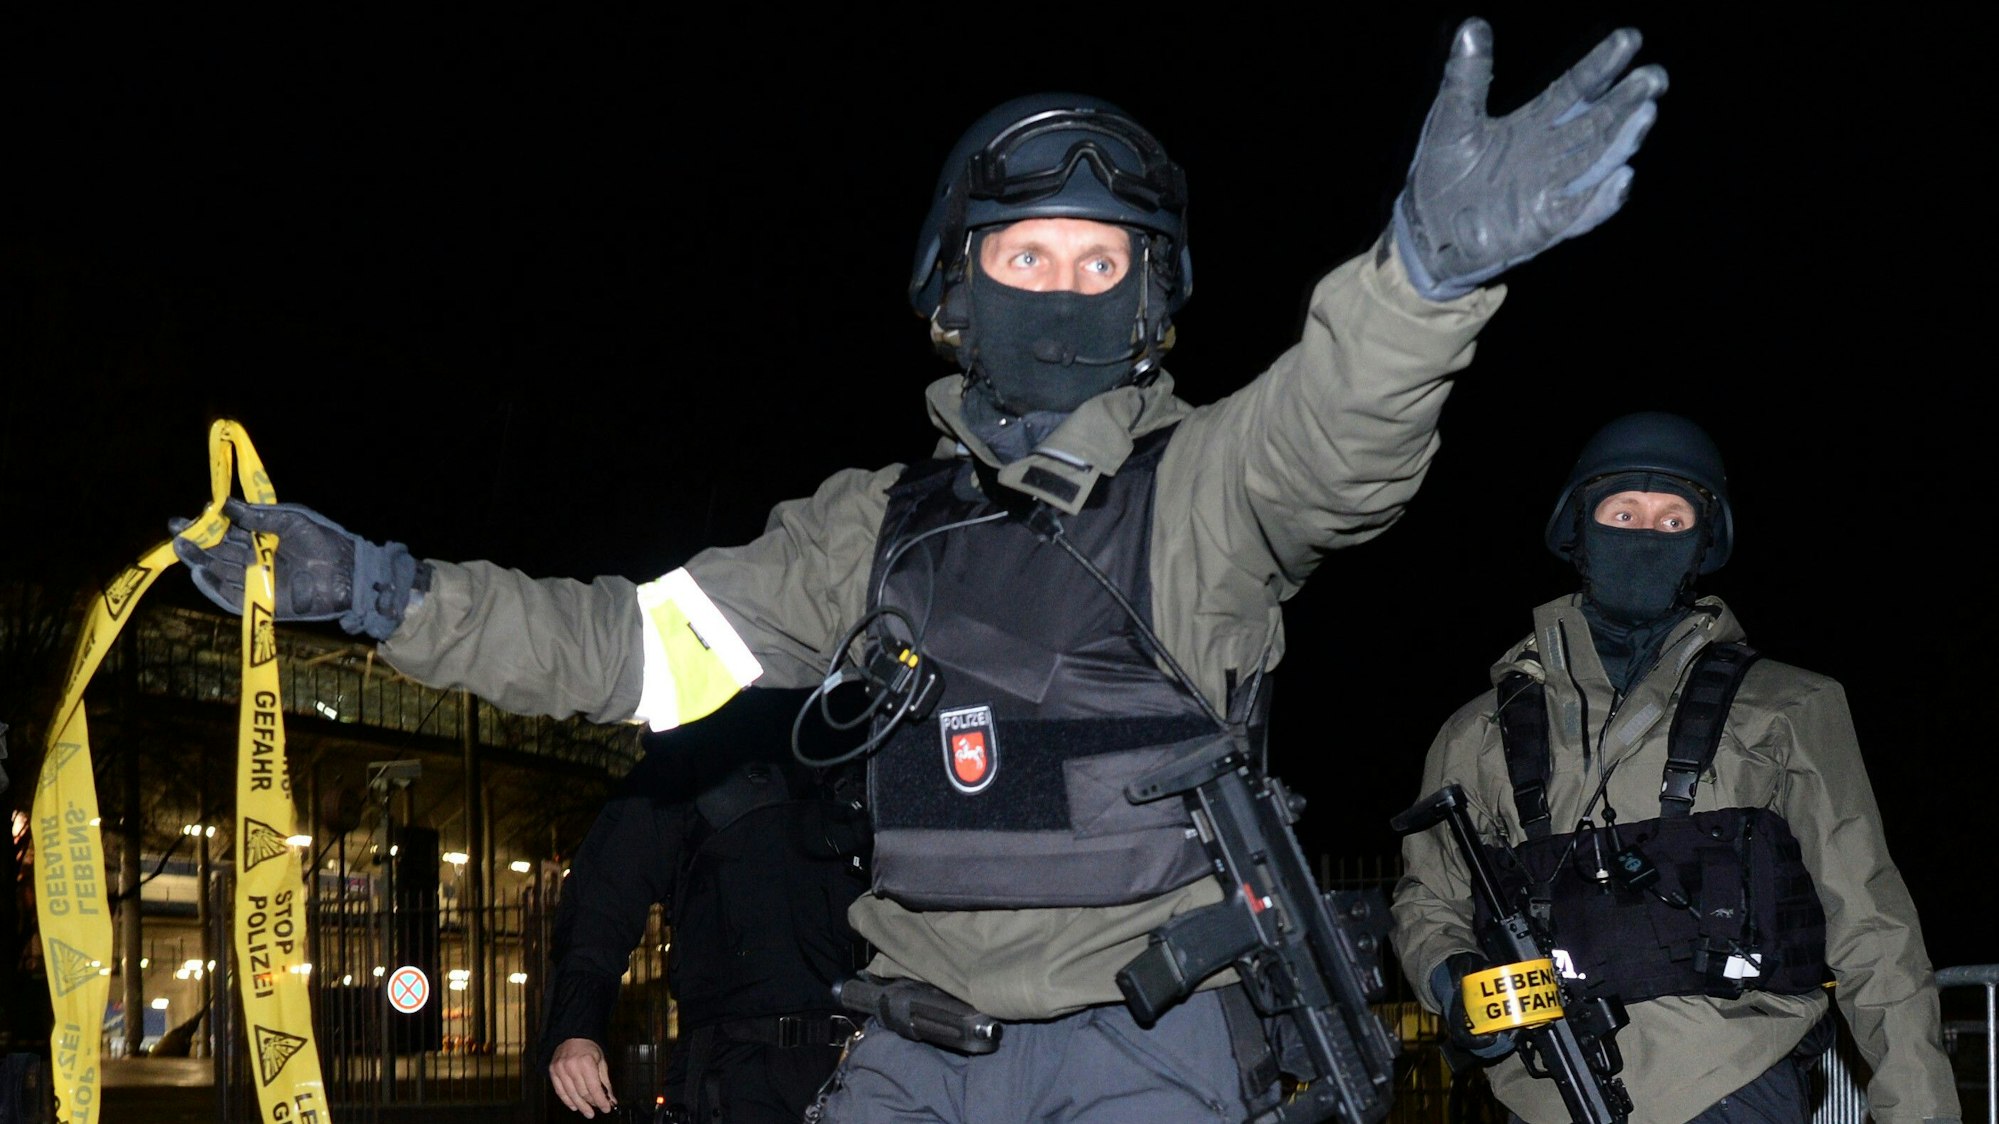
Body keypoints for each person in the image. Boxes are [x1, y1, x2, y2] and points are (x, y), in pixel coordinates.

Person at [175, 19, 1668, 1121]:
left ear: (1152, 301)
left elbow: (1338, 435)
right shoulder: (867, 529)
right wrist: (382, 594)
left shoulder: (1204, 487)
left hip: (1150, 1049)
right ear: (958, 294)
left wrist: (1423, 277)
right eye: (1029, 257)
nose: (1065, 290)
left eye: (1103, 263)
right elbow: (625, 651)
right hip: (911, 1051)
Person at [1390, 412, 1960, 1124]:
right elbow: (1427, 899)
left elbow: (1871, 925)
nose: (1642, 536)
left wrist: (1921, 1111)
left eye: (1670, 520)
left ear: (1700, 544)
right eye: (1621, 513)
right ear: (1577, 532)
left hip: (1730, 1080)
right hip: (1541, 1093)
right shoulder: (1477, 731)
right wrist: (1452, 979)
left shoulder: (1787, 707)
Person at [541, 690, 870, 1123]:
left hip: (871, 1064)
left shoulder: (872, 747)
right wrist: (577, 1028)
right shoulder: (694, 756)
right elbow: (602, 902)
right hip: (737, 1074)